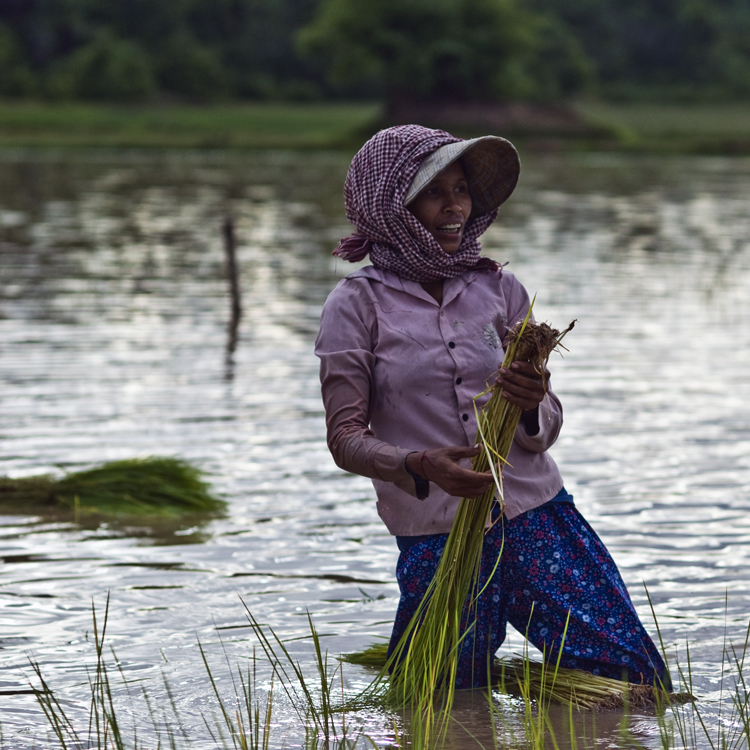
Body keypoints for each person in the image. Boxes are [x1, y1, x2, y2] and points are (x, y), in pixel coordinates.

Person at [315, 124, 669, 690]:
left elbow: (545, 425)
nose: (455, 206)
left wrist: (532, 407)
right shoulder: (355, 304)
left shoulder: (501, 290)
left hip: (536, 516)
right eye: (434, 192)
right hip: (437, 533)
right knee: (437, 698)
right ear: (393, 207)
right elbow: (345, 438)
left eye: (461, 190)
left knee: (634, 679)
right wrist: (420, 464)